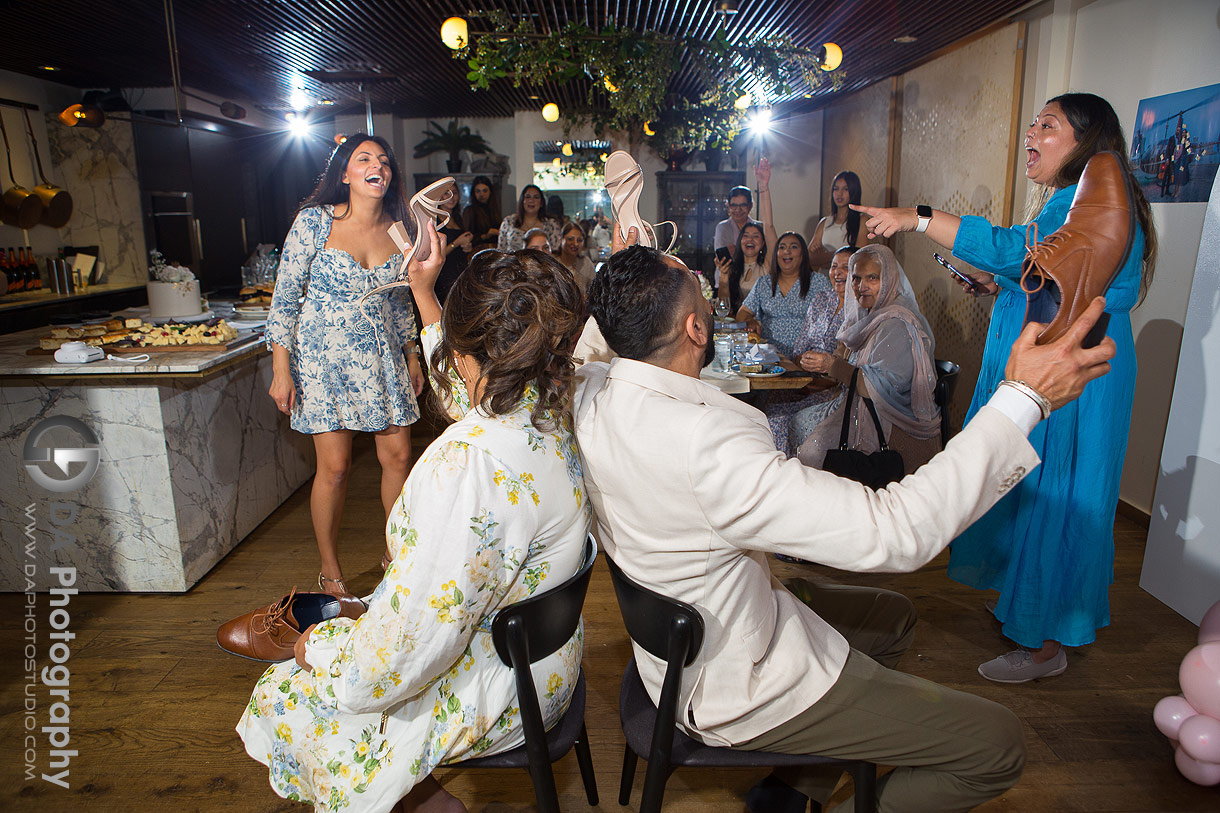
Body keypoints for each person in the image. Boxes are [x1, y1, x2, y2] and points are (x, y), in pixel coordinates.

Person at [574, 226, 1116, 812]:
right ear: (697, 329)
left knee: (893, 616)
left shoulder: (590, 390)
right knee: (998, 744)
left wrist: (627, 249)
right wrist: (1023, 399)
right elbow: (897, 531)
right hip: (733, 677)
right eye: (696, 287)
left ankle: (792, 789)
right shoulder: (707, 448)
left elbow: (590, 346)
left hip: (689, 628)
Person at [240, 226, 590, 813]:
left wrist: (320, 649)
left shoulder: (468, 466)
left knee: (287, 694)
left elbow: (407, 651)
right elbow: (462, 387)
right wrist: (424, 290)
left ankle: (423, 801)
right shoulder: (550, 405)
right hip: (551, 662)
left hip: (504, 688)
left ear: (464, 356)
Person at [852, 92, 1158, 683]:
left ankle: (1045, 642)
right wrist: (1005, 288)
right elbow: (1046, 271)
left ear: (1087, 141)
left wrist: (918, 217)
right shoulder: (1076, 199)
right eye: (1032, 123)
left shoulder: (1087, 199)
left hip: (1074, 372)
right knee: (1030, 486)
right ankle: (1028, 605)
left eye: (1048, 125)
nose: (1031, 135)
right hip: (1064, 359)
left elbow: (1016, 249)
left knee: (1056, 494)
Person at [266, 133, 425, 597]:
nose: (378, 166)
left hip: (382, 357)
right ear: (345, 174)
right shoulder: (314, 222)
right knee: (334, 468)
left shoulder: (400, 231)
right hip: (323, 362)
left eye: (384, 161)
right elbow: (285, 297)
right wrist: (281, 369)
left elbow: (401, 302)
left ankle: (395, 555)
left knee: (399, 457)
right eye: (364, 159)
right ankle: (331, 572)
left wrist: (412, 354)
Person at [791, 245, 941, 473]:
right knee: (797, 421)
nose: (861, 287)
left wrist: (833, 366)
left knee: (813, 451)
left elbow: (881, 389)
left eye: (872, 278)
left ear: (890, 279)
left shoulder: (897, 324)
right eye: (856, 278)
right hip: (857, 404)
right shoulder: (868, 316)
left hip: (889, 419)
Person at [762, 245, 856, 456]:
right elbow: (800, 344)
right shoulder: (822, 299)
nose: (837, 272)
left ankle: (791, 470)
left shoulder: (861, 310)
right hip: (804, 380)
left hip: (834, 390)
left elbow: (854, 367)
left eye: (846, 267)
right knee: (768, 407)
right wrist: (802, 370)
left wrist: (821, 381)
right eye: (834, 266)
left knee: (779, 418)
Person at [733, 158, 833, 359]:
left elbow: (832, 322)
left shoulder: (818, 283)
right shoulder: (764, 283)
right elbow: (742, 314)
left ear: (803, 254)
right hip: (770, 357)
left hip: (807, 357)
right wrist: (750, 321)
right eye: (782, 248)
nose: (786, 252)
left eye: (793, 247)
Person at [808, 171, 865, 268]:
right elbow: (810, 259)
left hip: (848, 276)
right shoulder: (824, 222)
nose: (839, 194)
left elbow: (857, 257)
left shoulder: (862, 220)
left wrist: (823, 257)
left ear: (854, 191)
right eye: (836, 189)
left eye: (845, 189)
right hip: (825, 276)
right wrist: (839, 255)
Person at [715, 220, 766, 315]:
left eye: (755, 236)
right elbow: (724, 307)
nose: (750, 240)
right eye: (746, 236)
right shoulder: (734, 268)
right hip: (738, 321)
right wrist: (723, 276)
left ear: (763, 243)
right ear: (740, 241)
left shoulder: (767, 266)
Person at [436, 187, 473, 303]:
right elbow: (435, 254)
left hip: (460, 272)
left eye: (455, 193)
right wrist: (456, 243)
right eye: (446, 193)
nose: (451, 197)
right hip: (444, 275)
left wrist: (467, 247)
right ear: (439, 196)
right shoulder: (434, 220)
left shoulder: (457, 218)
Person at [497, 184, 560, 251]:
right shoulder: (508, 221)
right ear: (522, 201)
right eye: (527, 197)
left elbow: (555, 252)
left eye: (536, 197)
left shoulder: (551, 224)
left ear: (541, 202)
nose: (531, 200)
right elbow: (501, 250)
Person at [713, 185, 756, 259]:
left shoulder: (759, 228)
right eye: (734, 205)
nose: (738, 210)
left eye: (743, 205)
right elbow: (723, 259)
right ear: (728, 206)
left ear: (750, 206)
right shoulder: (723, 227)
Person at [461, 174, 500, 251]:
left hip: (494, 250)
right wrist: (486, 235)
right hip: (477, 251)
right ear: (474, 193)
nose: (481, 194)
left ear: (490, 192)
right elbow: (466, 236)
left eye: (485, 191)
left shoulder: (494, 209)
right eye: (478, 191)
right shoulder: (470, 210)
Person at [556, 220, 595, 293]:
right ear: (561, 239)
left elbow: (594, 291)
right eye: (571, 239)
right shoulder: (553, 263)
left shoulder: (586, 263)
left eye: (579, 240)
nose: (575, 244)